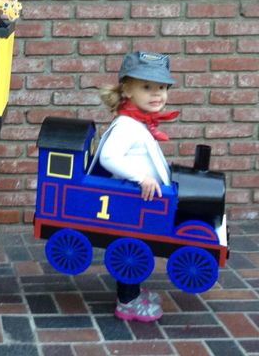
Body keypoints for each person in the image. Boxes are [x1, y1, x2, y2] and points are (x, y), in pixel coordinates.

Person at [92, 50, 180, 322]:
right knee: (131, 251)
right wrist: (140, 177)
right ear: (127, 90)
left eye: (162, 87)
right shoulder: (127, 125)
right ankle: (127, 302)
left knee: (137, 249)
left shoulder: (138, 121)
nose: (158, 94)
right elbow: (108, 156)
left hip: (141, 202)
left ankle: (133, 293)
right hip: (129, 204)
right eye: (147, 86)